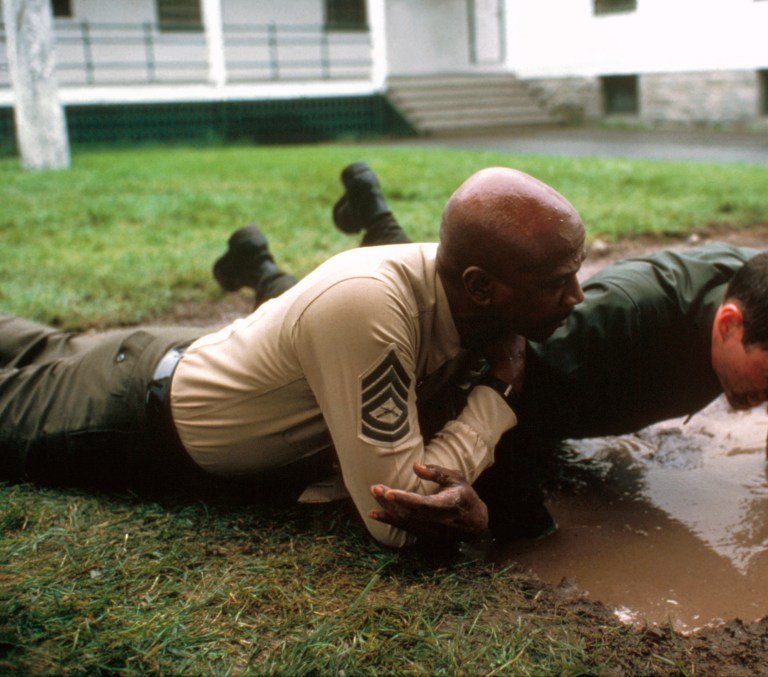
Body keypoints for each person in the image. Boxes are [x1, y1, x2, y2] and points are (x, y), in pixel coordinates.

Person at [218, 162, 768, 541]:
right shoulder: (603, 328)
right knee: (411, 327)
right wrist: (521, 525)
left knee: (428, 292)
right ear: (729, 324)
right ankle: (266, 269)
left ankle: (370, 206)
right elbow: (500, 390)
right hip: (494, 347)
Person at [0, 166, 588, 548]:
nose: (577, 296)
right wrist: (498, 393)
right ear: (481, 286)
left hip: (168, 357)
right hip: (130, 417)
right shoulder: (372, 306)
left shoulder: (462, 289)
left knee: (40, 347)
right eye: (557, 283)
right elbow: (401, 520)